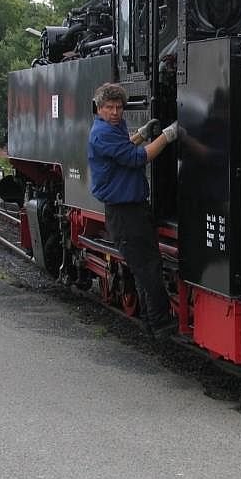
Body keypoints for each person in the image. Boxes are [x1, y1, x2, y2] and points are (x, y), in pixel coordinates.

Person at [88, 82, 179, 337]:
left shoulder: (113, 128)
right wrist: (168, 135)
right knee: (148, 266)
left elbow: (127, 148)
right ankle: (161, 322)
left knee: (142, 267)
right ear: (99, 108)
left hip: (130, 209)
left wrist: (141, 134)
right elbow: (136, 158)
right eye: (110, 108)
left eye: (119, 107)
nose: (116, 112)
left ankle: (152, 323)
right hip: (125, 212)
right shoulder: (103, 133)